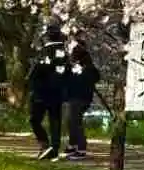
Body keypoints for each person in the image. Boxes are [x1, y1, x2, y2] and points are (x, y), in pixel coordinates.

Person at [29, 23, 69, 161]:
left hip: (41, 92)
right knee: (55, 120)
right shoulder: (64, 52)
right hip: (57, 93)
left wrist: (32, 85)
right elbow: (67, 72)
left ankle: (45, 144)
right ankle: (54, 148)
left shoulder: (45, 52)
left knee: (35, 120)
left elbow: (36, 73)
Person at [65, 41, 100, 160]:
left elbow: (94, 78)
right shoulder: (76, 66)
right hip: (75, 97)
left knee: (76, 122)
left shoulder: (87, 67)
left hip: (81, 98)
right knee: (71, 121)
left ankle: (81, 149)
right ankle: (73, 145)